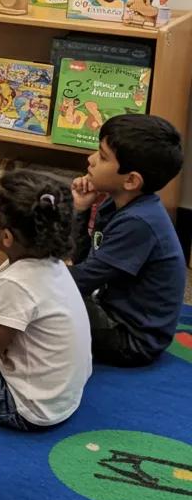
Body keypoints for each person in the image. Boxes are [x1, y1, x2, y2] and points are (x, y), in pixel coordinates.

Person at [0, 171, 91, 431]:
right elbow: (9, 320)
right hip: (61, 395)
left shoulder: (16, 283)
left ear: (7, 237)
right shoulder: (48, 262)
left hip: (25, 405)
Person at [70, 114, 185, 367]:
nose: (90, 160)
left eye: (102, 157)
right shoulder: (116, 203)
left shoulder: (139, 223)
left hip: (132, 341)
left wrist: (32, 278)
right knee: (46, 289)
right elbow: (86, 262)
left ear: (131, 180)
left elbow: (80, 280)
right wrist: (81, 210)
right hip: (108, 309)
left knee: (46, 299)